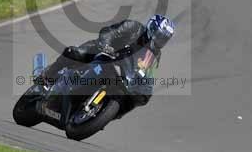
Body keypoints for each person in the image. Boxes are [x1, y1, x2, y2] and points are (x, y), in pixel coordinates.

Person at [40, 15, 175, 96]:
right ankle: (47, 76)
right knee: (74, 53)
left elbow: (148, 73)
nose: (161, 41)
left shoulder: (155, 54)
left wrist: (145, 87)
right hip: (102, 52)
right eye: (160, 36)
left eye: (164, 39)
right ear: (152, 28)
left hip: (121, 73)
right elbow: (109, 32)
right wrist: (106, 46)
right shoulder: (134, 27)